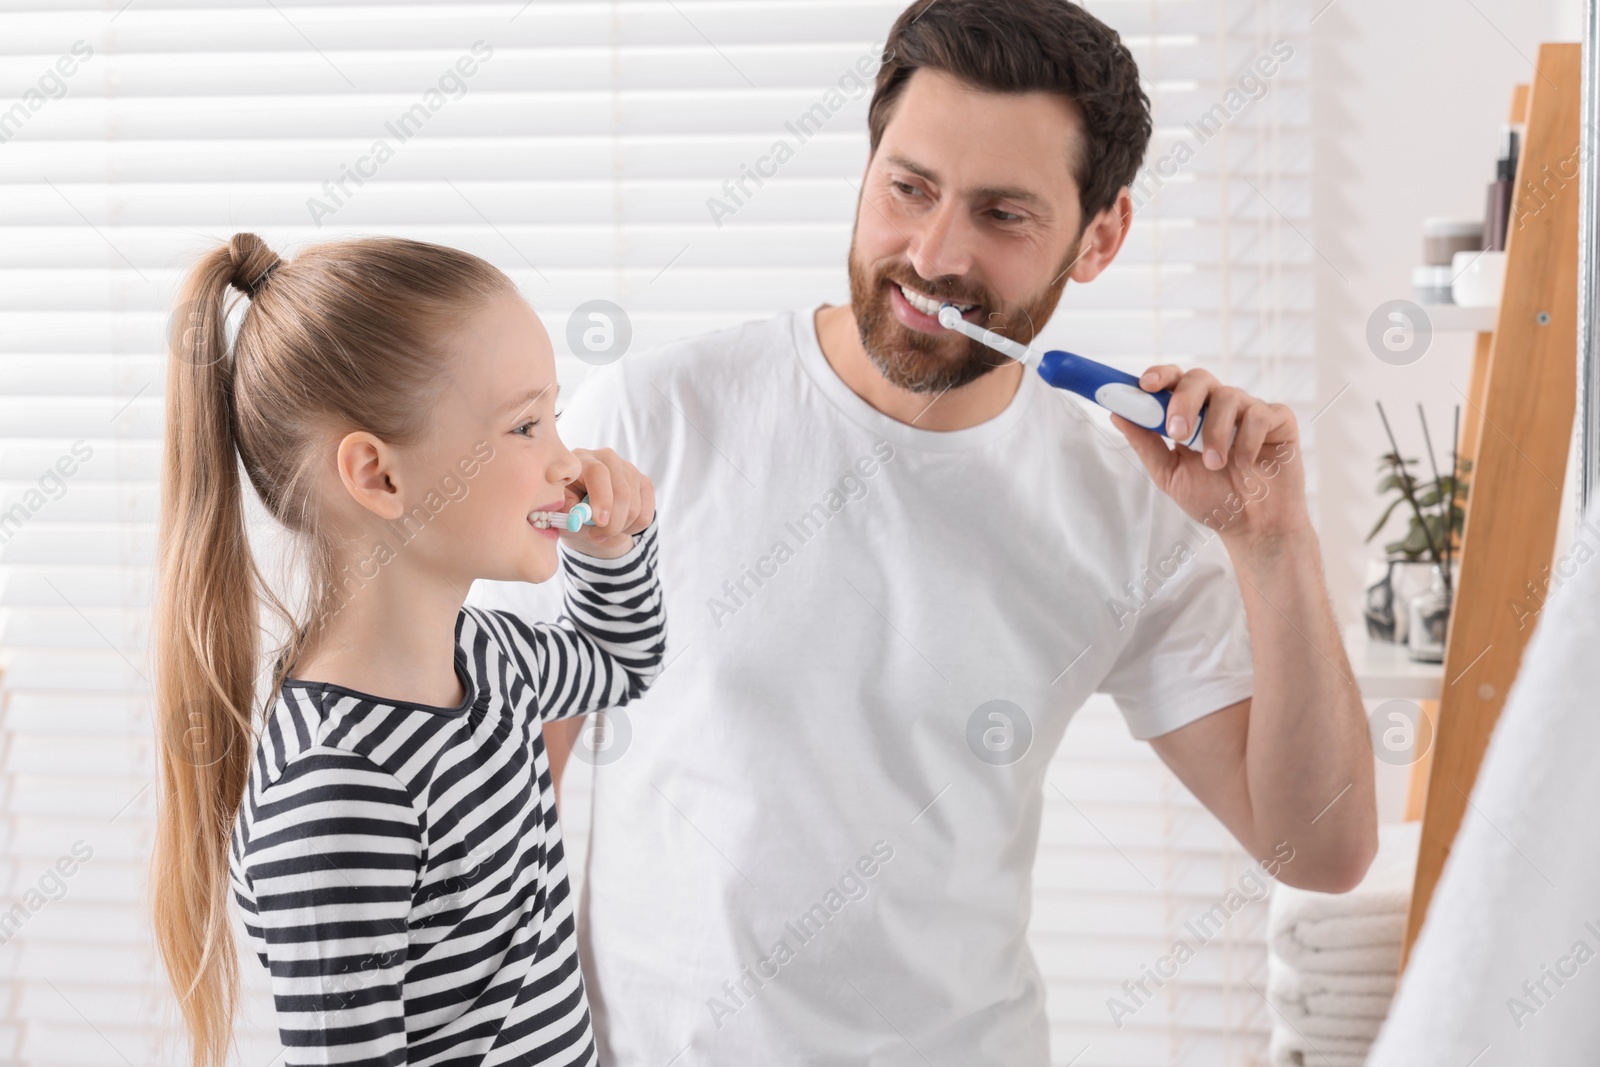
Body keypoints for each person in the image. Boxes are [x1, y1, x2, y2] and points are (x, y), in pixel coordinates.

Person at [475, 0, 1377, 1062]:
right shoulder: (648, 422)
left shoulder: (1133, 504)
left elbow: (1316, 849)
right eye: (908, 189)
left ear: (1102, 237)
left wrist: (1273, 545)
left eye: (1003, 214)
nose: (932, 254)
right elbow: (499, 802)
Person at [149, 233, 665, 1067]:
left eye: (555, 415)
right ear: (379, 476)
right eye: (527, 424)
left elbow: (622, 662)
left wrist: (612, 550)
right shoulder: (338, 791)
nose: (567, 460)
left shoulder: (492, 660)